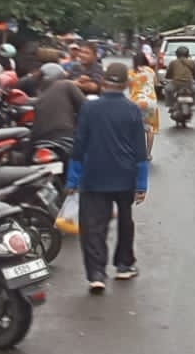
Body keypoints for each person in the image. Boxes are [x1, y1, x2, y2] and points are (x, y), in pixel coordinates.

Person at [67, 60, 150, 293]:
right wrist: (141, 184)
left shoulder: (89, 108)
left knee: (93, 226)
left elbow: (79, 146)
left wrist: (73, 179)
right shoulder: (133, 110)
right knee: (125, 220)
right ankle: (124, 265)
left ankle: (96, 274)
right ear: (126, 84)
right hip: (125, 175)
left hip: (94, 175)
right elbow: (140, 151)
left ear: (103, 82)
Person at [29, 62, 86, 146]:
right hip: (63, 135)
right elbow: (86, 107)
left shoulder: (40, 96)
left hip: (39, 139)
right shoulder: (66, 85)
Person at [129, 50, 161, 158]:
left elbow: (130, 87)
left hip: (136, 102)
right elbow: (155, 84)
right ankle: (148, 154)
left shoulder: (131, 72)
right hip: (151, 102)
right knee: (150, 128)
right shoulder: (151, 71)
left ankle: (135, 152)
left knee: (134, 128)